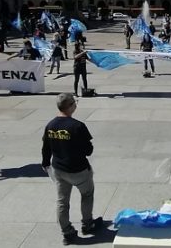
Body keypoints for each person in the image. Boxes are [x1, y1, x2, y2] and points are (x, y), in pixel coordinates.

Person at [42, 93, 103, 245]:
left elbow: (46, 148)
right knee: (87, 195)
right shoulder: (77, 126)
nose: (76, 104)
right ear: (70, 106)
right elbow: (88, 150)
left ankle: (67, 232)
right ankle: (87, 224)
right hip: (78, 170)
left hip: (59, 170)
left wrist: (45, 163)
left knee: (62, 202)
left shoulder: (50, 125)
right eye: (74, 103)